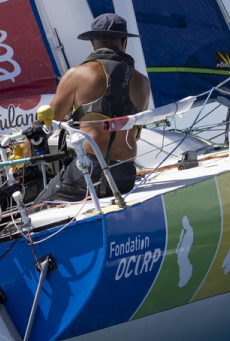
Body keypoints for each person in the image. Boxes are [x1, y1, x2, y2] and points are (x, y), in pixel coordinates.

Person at [36, 13, 151, 203]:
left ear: (92, 41)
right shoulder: (143, 83)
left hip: (89, 173)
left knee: (35, 210)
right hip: (125, 175)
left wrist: (19, 162)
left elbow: (42, 131)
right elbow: (135, 134)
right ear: (124, 41)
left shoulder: (76, 75)